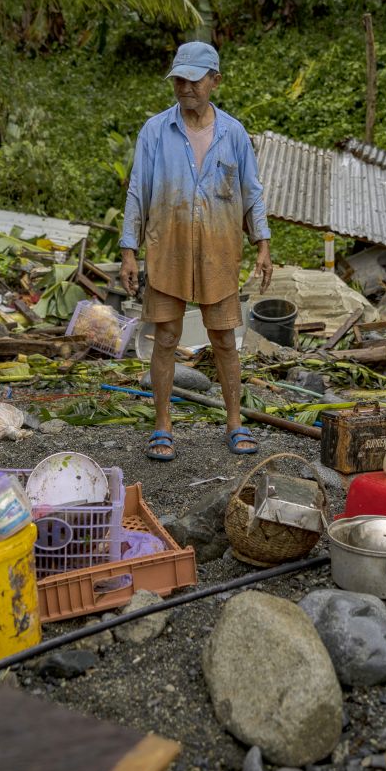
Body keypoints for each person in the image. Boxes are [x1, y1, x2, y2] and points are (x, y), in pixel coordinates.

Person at [120, 41, 272, 461]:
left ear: (215, 81)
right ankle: (162, 426)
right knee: (165, 337)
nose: (185, 87)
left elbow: (251, 192)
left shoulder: (234, 133)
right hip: (167, 247)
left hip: (220, 250)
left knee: (224, 339)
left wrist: (263, 243)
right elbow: (139, 190)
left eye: (194, 79)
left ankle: (235, 422)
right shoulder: (155, 130)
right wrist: (128, 249)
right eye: (179, 80)